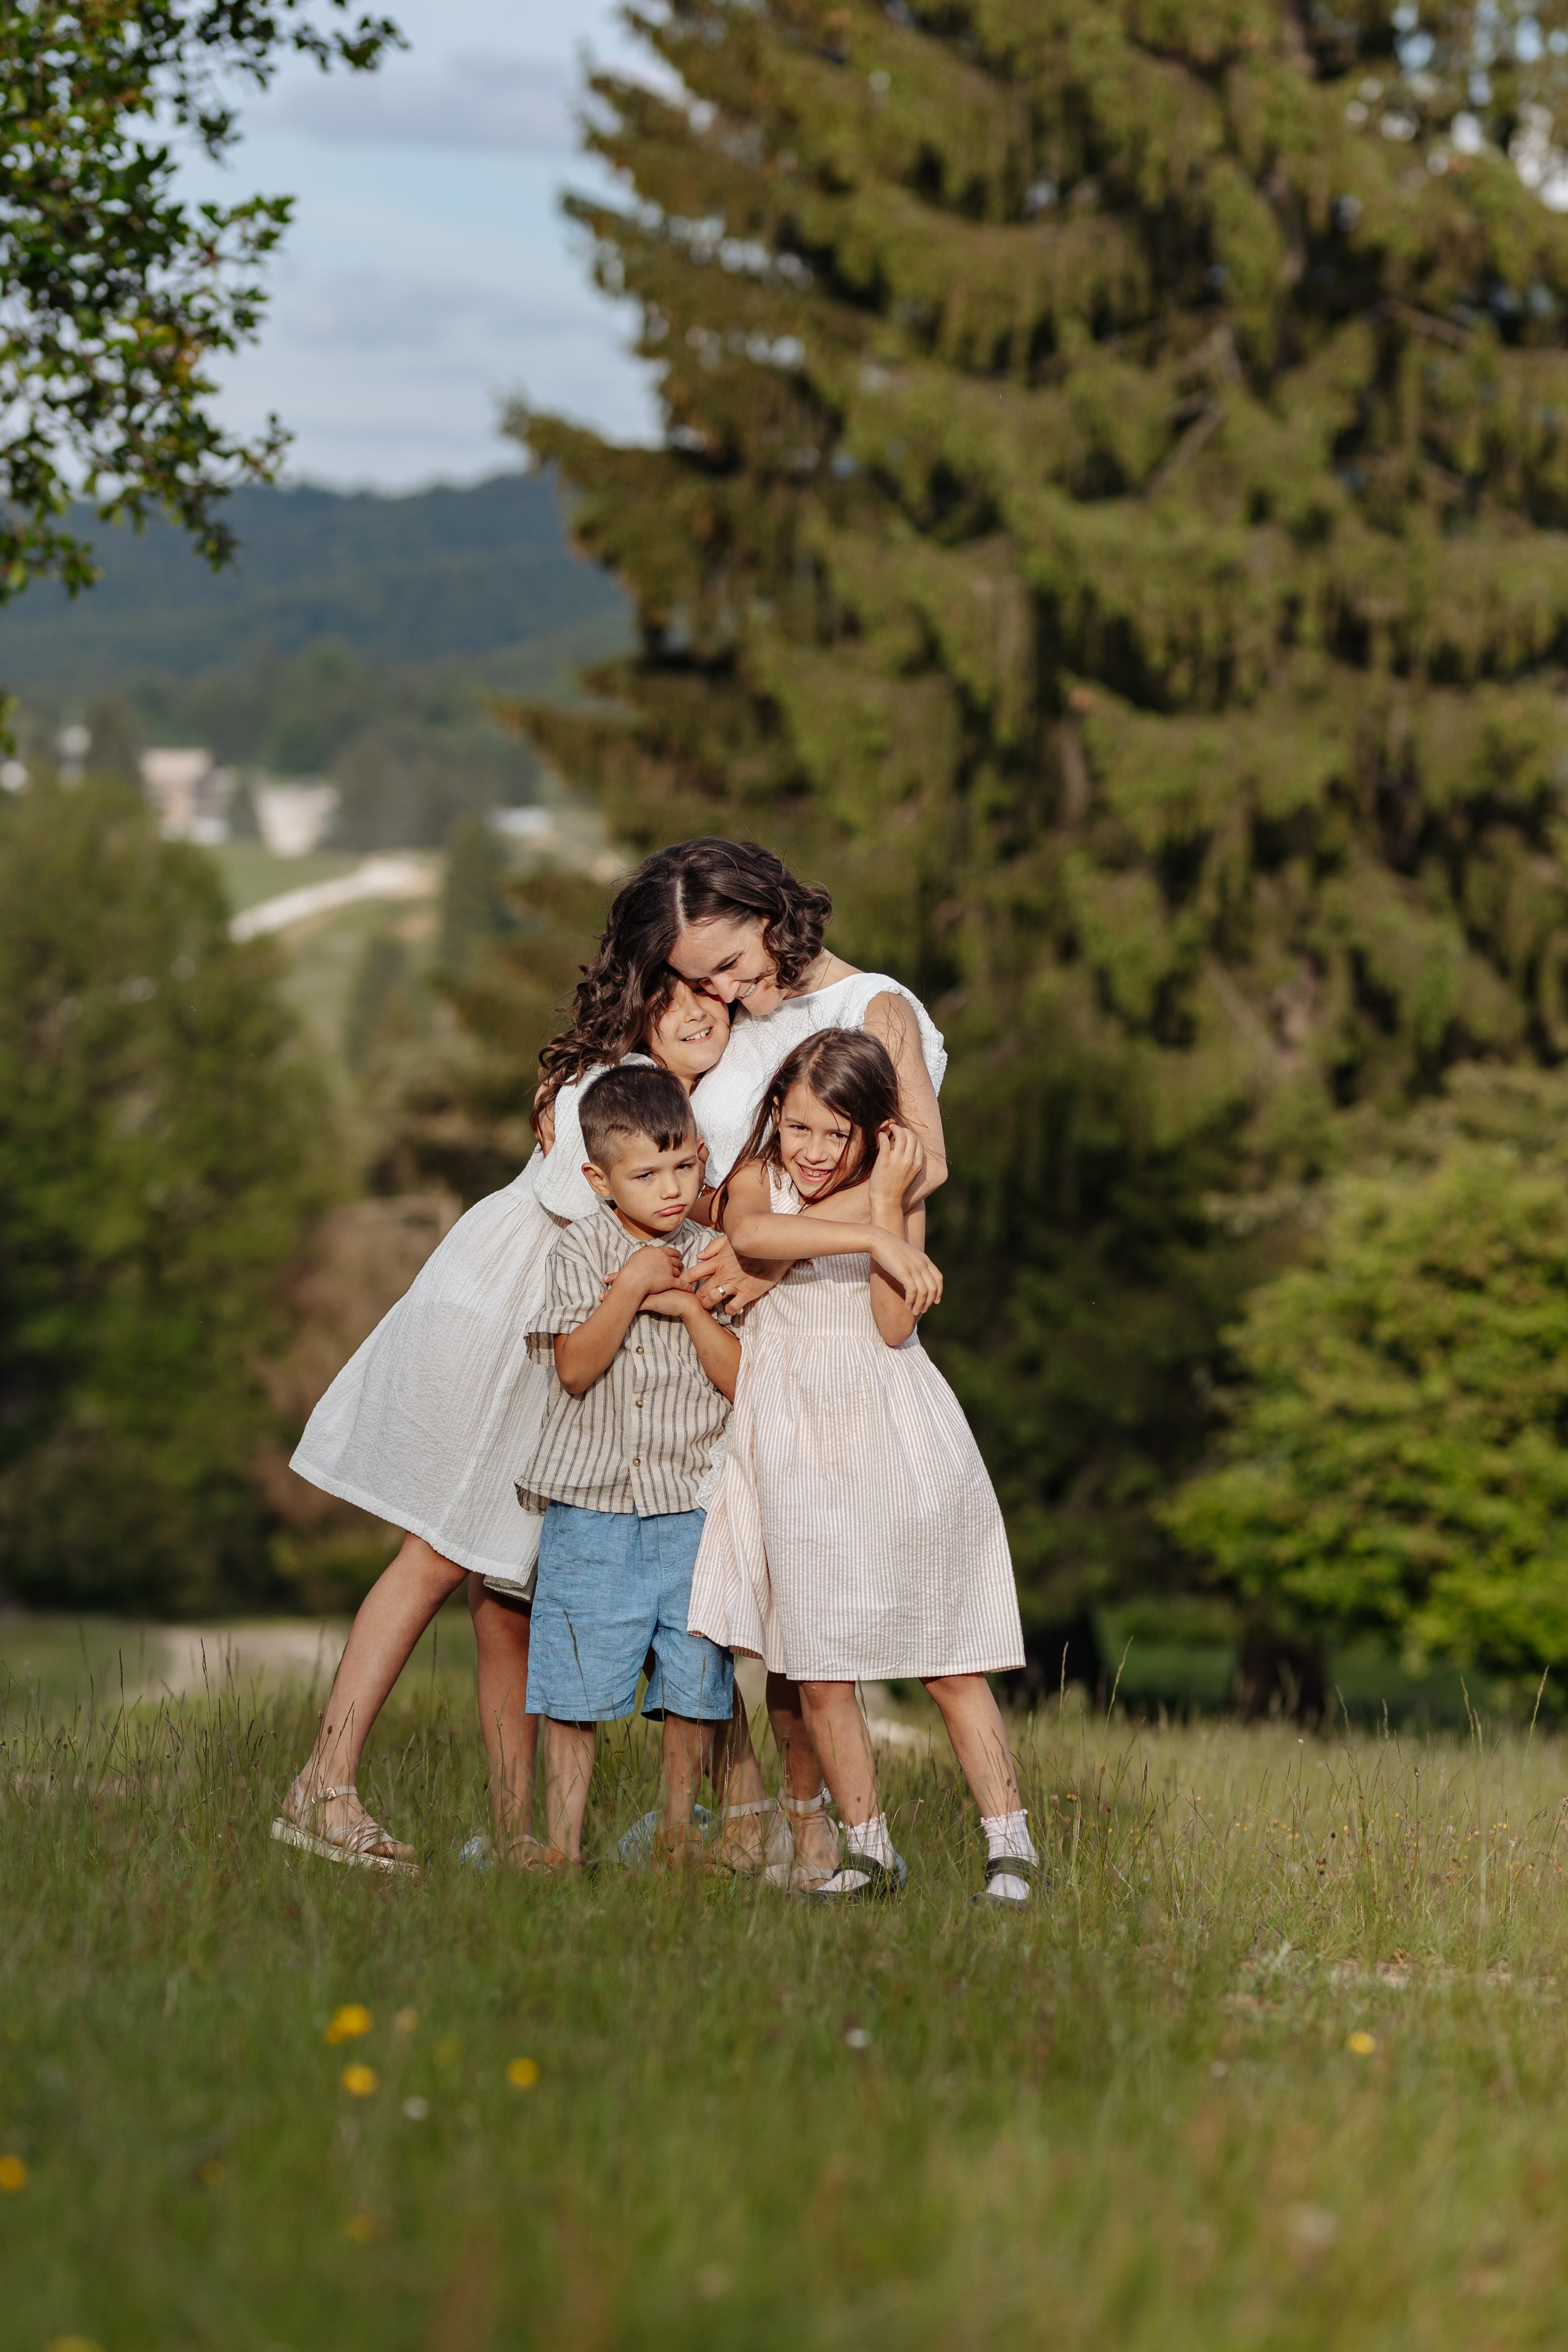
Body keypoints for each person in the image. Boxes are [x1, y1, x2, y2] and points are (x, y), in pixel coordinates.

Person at [534, 838, 954, 1888]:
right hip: (699, 1330)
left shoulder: (871, 1009)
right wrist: (725, 1226)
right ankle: (747, 1817)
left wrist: (768, 1255)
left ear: (769, 906)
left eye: (727, 958)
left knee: (795, 1596)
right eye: (702, 974)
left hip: (819, 1324)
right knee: (720, 1588)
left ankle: (817, 1829)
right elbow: (711, 1166)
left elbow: (922, 1169)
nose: (722, 987)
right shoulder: (736, 1018)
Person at [271, 981, 733, 1871]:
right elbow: (599, 1210)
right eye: (681, 994)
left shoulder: (638, 1093)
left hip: (523, 1313)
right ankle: (323, 1784)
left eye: (717, 994)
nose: (703, 1010)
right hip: (505, 1321)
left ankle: (520, 1835)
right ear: (641, 999)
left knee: (504, 1586)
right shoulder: (623, 1083)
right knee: (441, 1552)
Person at [688, 1030, 1039, 1907]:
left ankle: (1009, 1843)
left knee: (948, 1654)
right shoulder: (755, 1182)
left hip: (889, 1427)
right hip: (796, 1438)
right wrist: (878, 1237)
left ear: (870, 1134)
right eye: (799, 1126)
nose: (812, 1151)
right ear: (777, 1115)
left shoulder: (891, 1192)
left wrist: (886, 1207)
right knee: (818, 1663)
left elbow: (891, 1327)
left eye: (834, 1135)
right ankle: (868, 1849)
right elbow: (751, 1232)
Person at [519, 1065, 740, 1871]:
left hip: (688, 1500)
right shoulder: (581, 1252)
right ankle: (562, 1846)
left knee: (694, 1674)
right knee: (573, 1677)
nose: (671, 1188)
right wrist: (635, 1287)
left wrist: (684, 1303)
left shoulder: (715, 1257)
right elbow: (575, 1368)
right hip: (593, 1506)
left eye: (684, 1165)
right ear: (598, 1179)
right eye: (646, 1175)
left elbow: (739, 1378)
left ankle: (678, 1835)